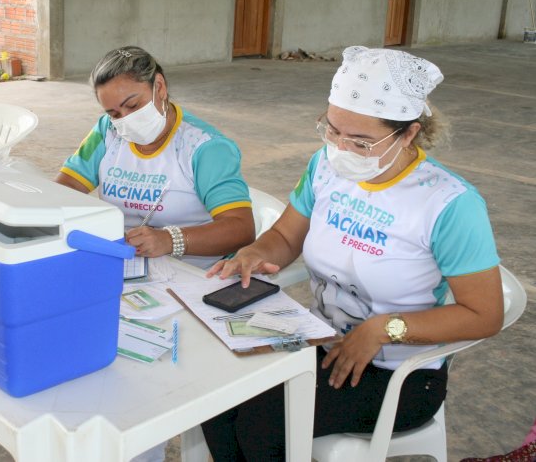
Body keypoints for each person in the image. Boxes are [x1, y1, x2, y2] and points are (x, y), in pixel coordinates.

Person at [201, 46, 504, 460]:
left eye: (360, 142)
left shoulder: (449, 204)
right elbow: (286, 236)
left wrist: (383, 329)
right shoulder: (326, 167)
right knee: (214, 398)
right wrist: (254, 252)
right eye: (331, 130)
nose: (340, 148)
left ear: (409, 133)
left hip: (400, 374)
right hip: (322, 342)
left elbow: (484, 314)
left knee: (263, 425)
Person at [57, 45, 255, 269]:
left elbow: (241, 229)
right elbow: (66, 188)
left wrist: (170, 240)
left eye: (133, 105)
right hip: (124, 263)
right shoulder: (107, 131)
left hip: (195, 272)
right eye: (114, 114)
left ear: (159, 87)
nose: (125, 120)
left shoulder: (205, 147)